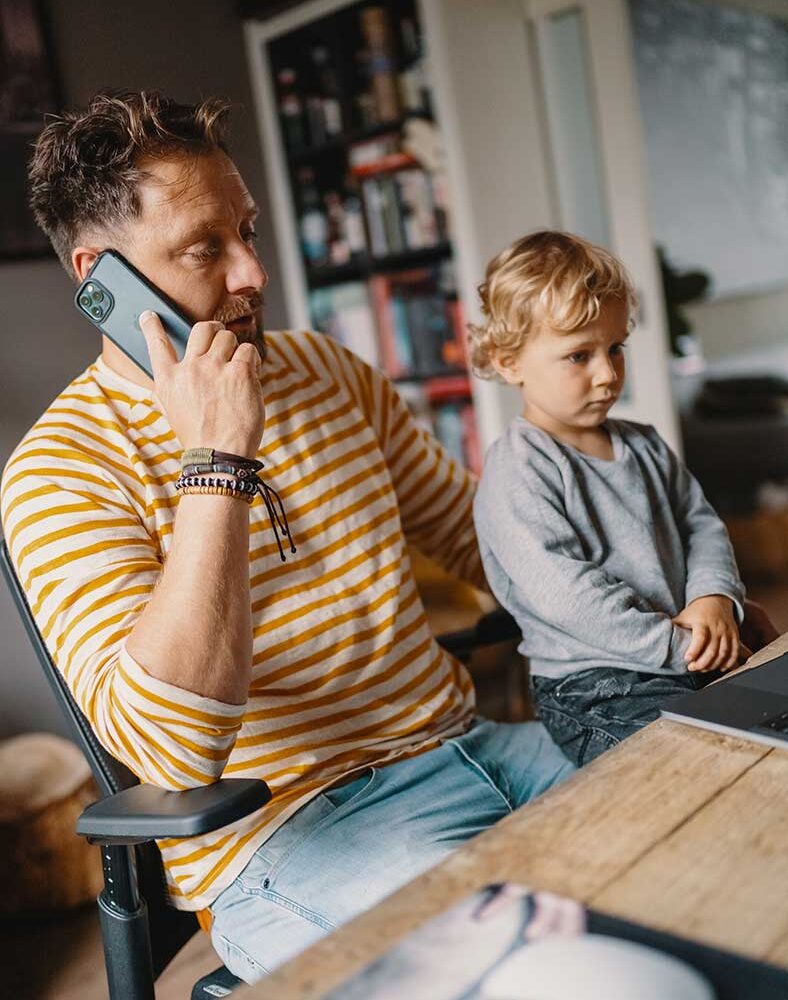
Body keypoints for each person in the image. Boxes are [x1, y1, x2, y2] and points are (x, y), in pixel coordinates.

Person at [0, 92, 574, 982]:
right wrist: (214, 460)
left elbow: (483, 542)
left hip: (482, 744)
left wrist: (665, 602)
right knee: (540, 968)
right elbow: (176, 751)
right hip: (296, 832)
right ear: (98, 278)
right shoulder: (59, 471)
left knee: (718, 810)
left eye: (249, 232)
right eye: (205, 249)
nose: (252, 274)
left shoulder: (327, 371)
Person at [471, 231, 778, 768]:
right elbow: (570, 597)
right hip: (596, 685)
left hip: (687, 647)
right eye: (578, 356)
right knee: (702, 761)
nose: (607, 374)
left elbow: (701, 525)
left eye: (615, 348)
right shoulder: (518, 470)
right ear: (508, 361)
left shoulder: (644, 443)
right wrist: (680, 649)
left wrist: (714, 599)